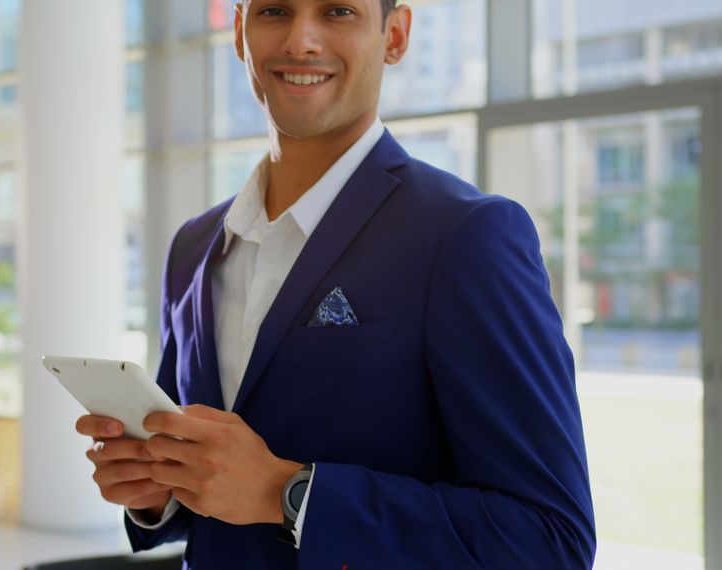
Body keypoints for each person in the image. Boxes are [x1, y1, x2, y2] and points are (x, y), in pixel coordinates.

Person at [76, 0, 596, 567]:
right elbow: (209, 492)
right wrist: (157, 493)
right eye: (274, 11)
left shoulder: (465, 235)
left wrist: (286, 493)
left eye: (338, 12)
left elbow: (550, 540)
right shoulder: (194, 247)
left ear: (394, 35)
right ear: (240, 33)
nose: (301, 41)